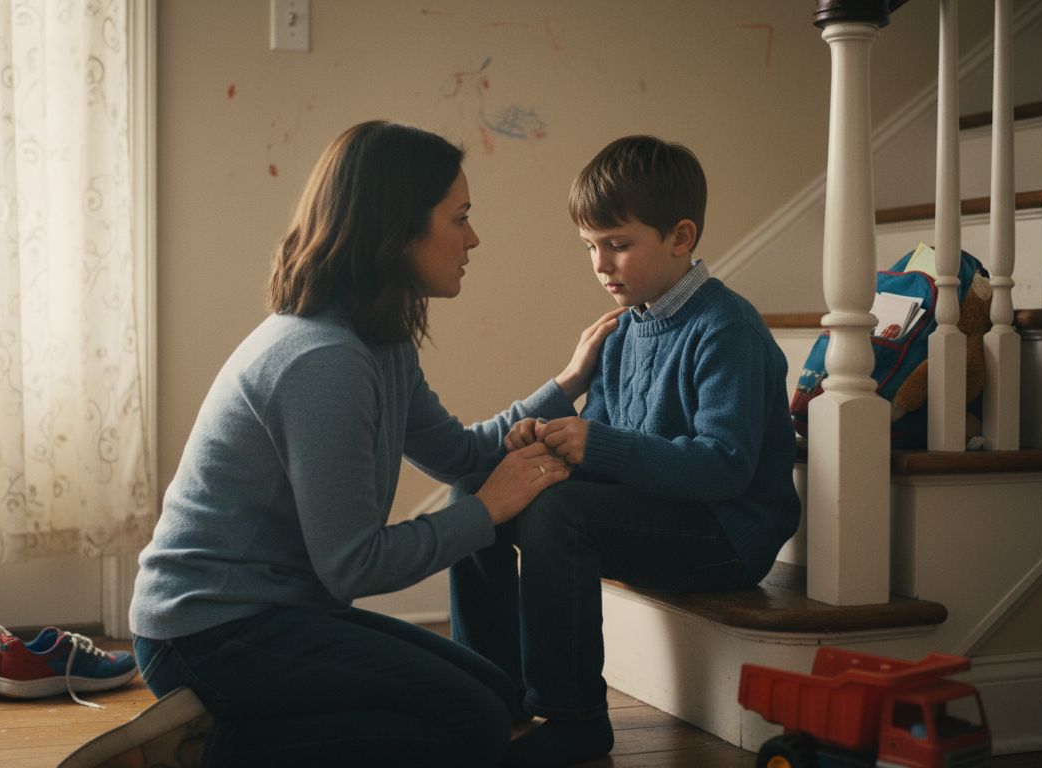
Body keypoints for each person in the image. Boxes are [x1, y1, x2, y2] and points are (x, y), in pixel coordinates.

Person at [58, 121, 622, 768]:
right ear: (399, 229)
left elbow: (462, 455)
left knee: (494, 695)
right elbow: (354, 565)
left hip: (278, 616)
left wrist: (567, 382)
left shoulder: (377, 342)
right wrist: (486, 510)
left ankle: (237, 726)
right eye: (458, 217)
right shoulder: (325, 363)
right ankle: (206, 750)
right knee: (472, 726)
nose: (472, 238)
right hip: (207, 636)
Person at [448, 135, 802, 767]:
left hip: (727, 531)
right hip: (654, 511)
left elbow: (726, 466)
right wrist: (547, 445)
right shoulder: (623, 330)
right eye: (590, 246)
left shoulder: (727, 329)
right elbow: (605, 439)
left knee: (560, 514)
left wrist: (597, 446)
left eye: (618, 244)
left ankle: (576, 717)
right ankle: (490, 691)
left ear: (681, 237)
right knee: (483, 490)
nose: (599, 264)